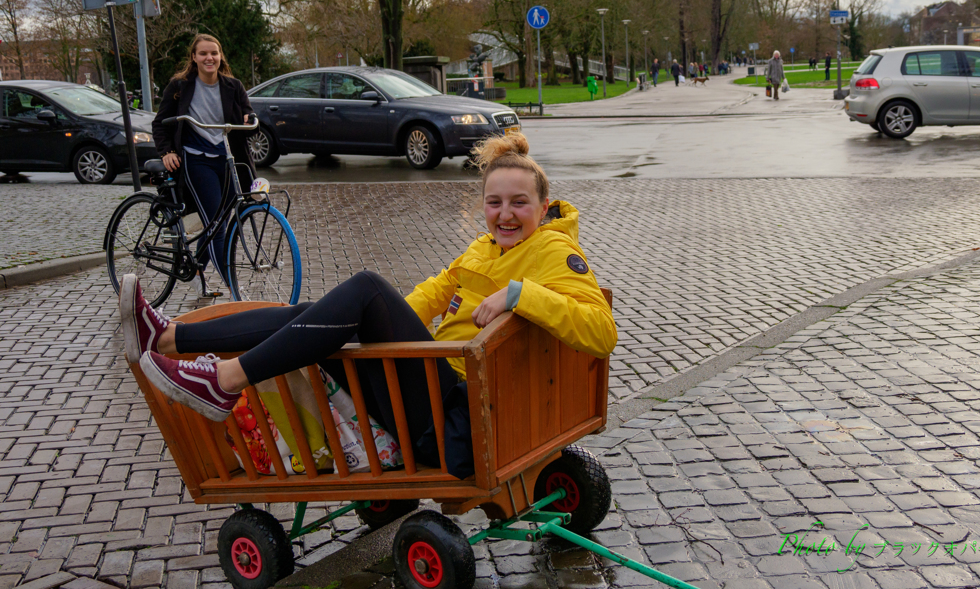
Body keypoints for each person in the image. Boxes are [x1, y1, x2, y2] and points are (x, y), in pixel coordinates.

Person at [123, 133, 617, 466]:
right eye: (494, 202)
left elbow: (601, 331)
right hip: (439, 389)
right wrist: (369, 323)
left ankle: (225, 378)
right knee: (313, 315)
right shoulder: (484, 247)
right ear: (482, 206)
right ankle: (169, 338)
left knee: (365, 288)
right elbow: (427, 295)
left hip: (466, 421)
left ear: (543, 207)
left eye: (519, 203)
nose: (505, 215)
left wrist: (520, 294)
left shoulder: (553, 248)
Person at [152, 33, 256, 298]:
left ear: (220, 57)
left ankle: (195, 270)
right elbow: (160, 122)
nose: (209, 58)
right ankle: (236, 291)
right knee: (217, 226)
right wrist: (166, 152)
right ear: (194, 58)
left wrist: (250, 117)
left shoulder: (234, 86)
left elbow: (250, 117)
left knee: (218, 223)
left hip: (228, 161)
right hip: (197, 159)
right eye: (203, 53)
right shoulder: (180, 86)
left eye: (214, 53)